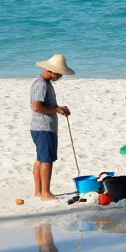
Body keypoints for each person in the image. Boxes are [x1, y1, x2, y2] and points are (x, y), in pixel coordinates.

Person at [30, 54, 74, 201]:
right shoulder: (42, 84)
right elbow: (37, 106)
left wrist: (58, 108)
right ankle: (45, 193)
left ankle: (38, 191)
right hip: (43, 127)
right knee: (47, 160)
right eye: (59, 73)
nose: (60, 76)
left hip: (39, 127)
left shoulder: (44, 83)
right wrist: (56, 110)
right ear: (51, 70)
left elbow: (45, 105)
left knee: (40, 159)